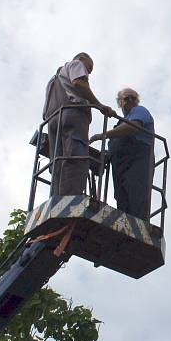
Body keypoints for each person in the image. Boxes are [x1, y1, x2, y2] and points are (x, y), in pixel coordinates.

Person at [43, 52, 116, 196]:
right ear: (82, 59)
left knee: (57, 160)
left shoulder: (52, 81)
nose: (88, 72)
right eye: (89, 68)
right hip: (72, 115)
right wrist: (99, 105)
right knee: (75, 156)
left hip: (52, 121)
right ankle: (71, 196)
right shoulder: (76, 64)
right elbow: (78, 82)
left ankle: (56, 196)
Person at [90, 88, 155, 219]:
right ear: (120, 102)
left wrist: (103, 135)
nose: (131, 100)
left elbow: (133, 127)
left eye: (133, 98)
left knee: (137, 197)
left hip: (138, 165)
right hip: (120, 171)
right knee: (122, 201)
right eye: (126, 98)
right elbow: (113, 150)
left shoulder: (140, 111)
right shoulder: (118, 126)